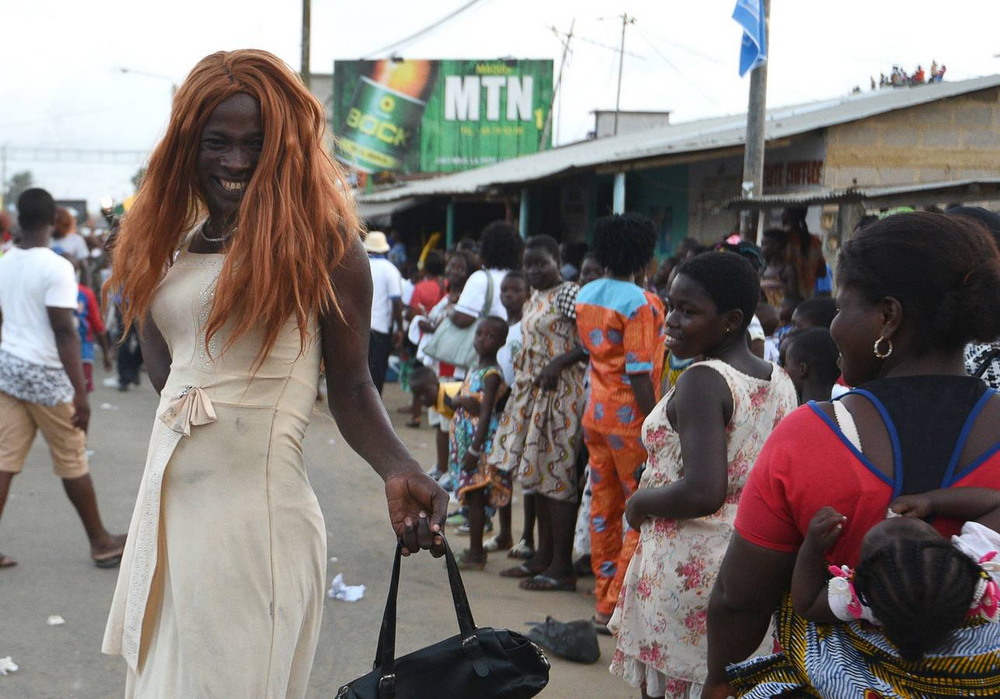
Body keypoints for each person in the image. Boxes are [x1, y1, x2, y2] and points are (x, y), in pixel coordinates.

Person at [100, 50, 447, 696]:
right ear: (186, 146)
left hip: (254, 526)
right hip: (170, 514)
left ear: (284, 146)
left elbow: (350, 385)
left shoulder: (324, 245)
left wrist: (400, 467)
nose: (234, 161)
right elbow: (166, 363)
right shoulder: (174, 242)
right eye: (217, 142)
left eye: (255, 145)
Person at [705, 212, 1000, 698]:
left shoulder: (808, 437)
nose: (834, 325)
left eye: (842, 308)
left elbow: (739, 600)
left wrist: (719, 683)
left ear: (888, 316)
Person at [609, 252, 796, 698]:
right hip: (752, 562)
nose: (671, 320)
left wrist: (638, 504)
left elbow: (704, 490)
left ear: (731, 320)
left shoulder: (704, 381)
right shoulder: (779, 377)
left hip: (692, 567)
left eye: (688, 311)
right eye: (670, 305)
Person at [0, 188, 126, 570]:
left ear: (20, 218)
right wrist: (80, 395)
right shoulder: (56, 267)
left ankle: (101, 539)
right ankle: (101, 542)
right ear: (54, 221)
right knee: (72, 457)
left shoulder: (6, 260)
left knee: (5, 458)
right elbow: (65, 331)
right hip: (45, 374)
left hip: (9, 369)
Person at [575, 213, 665, 632]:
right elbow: (639, 369)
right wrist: (658, 421)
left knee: (603, 507)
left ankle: (602, 597)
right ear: (644, 255)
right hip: (632, 421)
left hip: (595, 414)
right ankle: (614, 604)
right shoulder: (642, 303)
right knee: (639, 508)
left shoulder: (587, 294)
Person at [791, 488, 1000, 660]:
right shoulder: (982, 564)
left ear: (859, 584)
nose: (894, 525)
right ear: (952, 552)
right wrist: (930, 502)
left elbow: (807, 605)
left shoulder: (870, 599)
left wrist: (812, 547)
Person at [491, 235, 587, 592]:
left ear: (557, 259)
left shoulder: (569, 294)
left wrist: (561, 362)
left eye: (540, 263)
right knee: (540, 476)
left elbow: (593, 340)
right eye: (528, 264)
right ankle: (544, 556)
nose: (533, 270)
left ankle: (562, 566)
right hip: (534, 393)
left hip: (561, 395)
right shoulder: (535, 296)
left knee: (557, 476)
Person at [448, 316, 508, 569]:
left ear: (502, 342)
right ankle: (475, 550)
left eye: (489, 336)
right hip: (466, 439)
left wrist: (474, 447)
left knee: (475, 494)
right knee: (471, 493)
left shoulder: (492, 374)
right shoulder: (475, 367)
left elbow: (485, 412)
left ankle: (475, 553)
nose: (482, 339)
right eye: (479, 334)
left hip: (478, 443)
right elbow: (463, 399)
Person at [449, 220, 523, 328]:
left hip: (487, 342)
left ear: (486, 248)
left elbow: (462, 319)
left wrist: (449, 311)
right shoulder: (521, 280)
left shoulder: (481, 278)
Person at [365, 230, 404, 395]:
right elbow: (396, 302)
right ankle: (375, 402)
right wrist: (399, 328)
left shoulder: (361, 266)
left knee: (360, 369)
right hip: (380, 328)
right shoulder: (390, 270)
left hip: (359, 327)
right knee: (378, 368)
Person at [780, 327, 840, 404]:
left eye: (786, 364)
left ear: (802, 369)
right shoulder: (846, 409)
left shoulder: (791, 413)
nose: (783, 369)